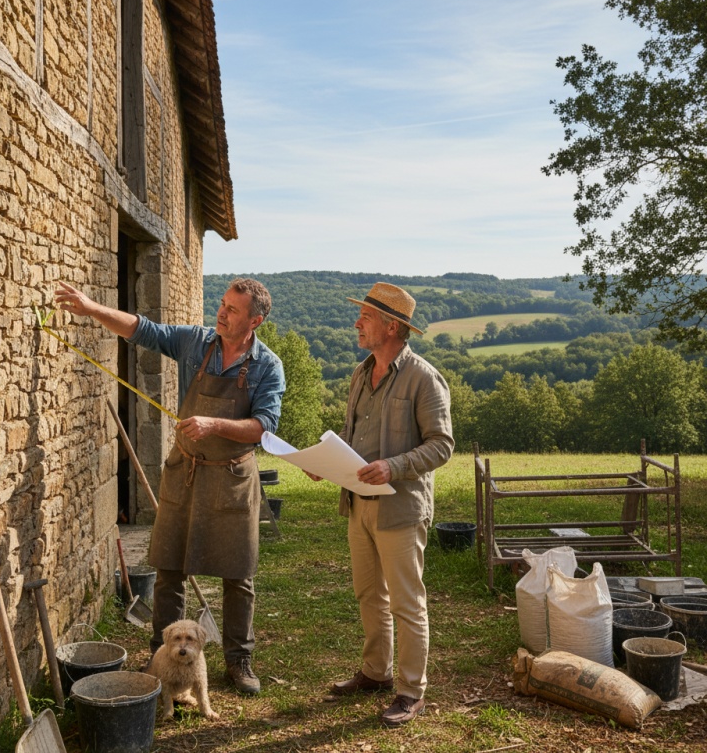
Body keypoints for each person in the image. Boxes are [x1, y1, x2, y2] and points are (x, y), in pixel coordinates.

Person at [54, 278, 285, 695]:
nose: (222, 313)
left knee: (239, 575)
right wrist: (91, 308)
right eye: (222, 304)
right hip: (186, 471)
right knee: (169, 568)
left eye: (233, 310)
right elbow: (144, 329)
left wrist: (214, 424)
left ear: (256, 320)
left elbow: (265, 427)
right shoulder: (197, 342)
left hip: (232, 479)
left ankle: (238, 659)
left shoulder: (268, 365)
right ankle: (160, 655)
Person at [317, 282, 453, 726]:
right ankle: (377, 673)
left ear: (392, 326)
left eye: (367, 317)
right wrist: (326, 462)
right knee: (368, 595)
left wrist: (393, 466)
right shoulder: (360, 373)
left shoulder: (423, 377)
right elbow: (354, 441)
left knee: (406, 602)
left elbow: (442, 446)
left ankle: (412, 691)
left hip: (401, 508)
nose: (358, 322)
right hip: (359, 506)